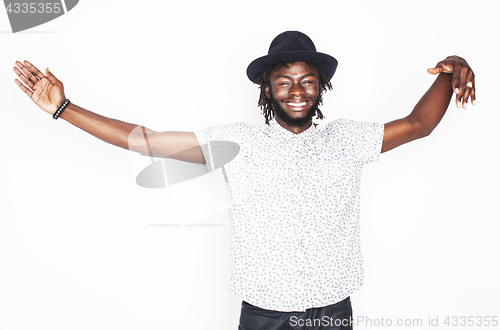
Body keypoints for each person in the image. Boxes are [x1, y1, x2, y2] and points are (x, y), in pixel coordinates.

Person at [13, 31, 475, 330]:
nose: (297, 91)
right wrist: (62, 108)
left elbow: (418, 124)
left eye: (307, 81)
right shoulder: (237, 144)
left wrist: (451, 67)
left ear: (321, 88)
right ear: (267, 89)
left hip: (332, 315)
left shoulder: (348, 139)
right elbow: (149, 142)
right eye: (285, 81)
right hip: (263, 317)